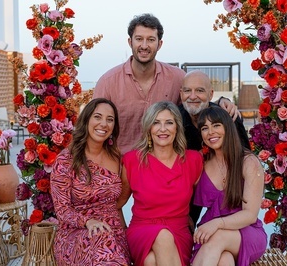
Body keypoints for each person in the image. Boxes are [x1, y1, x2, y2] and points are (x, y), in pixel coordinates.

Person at [93, 13, 239, 153]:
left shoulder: (177, 78)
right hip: (122, 166)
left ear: (159, 44)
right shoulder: (108, 82)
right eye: (139, 39)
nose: (144, 45)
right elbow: (93, 124)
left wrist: (221, 102)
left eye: (151, 39)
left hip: (166, 166)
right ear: (130, 42)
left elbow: (196, 100)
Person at [117, 101, 203, 266]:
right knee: (163, 235)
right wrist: (121, 231)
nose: (162, 129)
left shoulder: (193, 160)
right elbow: (117, 202)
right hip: (141, 230)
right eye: (156, 123)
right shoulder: (132, 160)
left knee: (151, 261)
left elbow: (211, 196)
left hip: (179, 231)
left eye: (169, 123)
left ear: (177, 127)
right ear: (149, 128)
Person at [50, 98, 131, 265]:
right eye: (98, 117)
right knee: (104, 248)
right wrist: (88, 221)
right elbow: (62, 209)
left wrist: (118, 223)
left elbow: (122, 195)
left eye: (110, 120)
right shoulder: (66, 160)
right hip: (76, 233)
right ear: (86, 120)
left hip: (113, 231)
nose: (104, 124)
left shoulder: (117, 158)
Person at [191, 106, 267, 266]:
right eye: (205, 128)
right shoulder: (202, 163)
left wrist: (217, 224)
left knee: (217, 238)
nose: (210, 132)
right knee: (224, 260)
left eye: (216, 125)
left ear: (228, 127)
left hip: (246, 232)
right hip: (211, 233)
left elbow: (250, 215)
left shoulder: (248, 162)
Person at [179, 70, 250, 227]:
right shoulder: (174, 119)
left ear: (211, 94)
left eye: (199, 90)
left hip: (223, 188)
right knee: (184, 231)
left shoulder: (227, 117)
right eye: (187, 91)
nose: (192, 96)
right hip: (187, 188)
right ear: (181, 93)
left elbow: (244, 158)